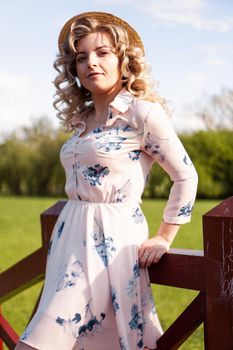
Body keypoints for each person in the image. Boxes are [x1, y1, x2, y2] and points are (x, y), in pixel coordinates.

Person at [15, 11, 198, 350]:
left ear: (123, 60)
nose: (91, 63)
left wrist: (164, 236)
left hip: (112, 240)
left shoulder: (142, 113)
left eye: (102, 53)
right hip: (68, 237)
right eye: (81, 57)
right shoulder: (80, 120)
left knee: (39, 342)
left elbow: (185, 175)